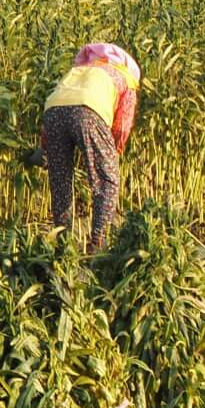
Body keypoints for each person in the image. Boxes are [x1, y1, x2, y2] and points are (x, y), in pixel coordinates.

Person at [40, 41, 141, 251]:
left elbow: (58, 100)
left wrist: (45, 147)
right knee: (107, 179)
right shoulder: (125, 78)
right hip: (89, 112)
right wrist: (114, 150)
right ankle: (98, 242)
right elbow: (122, 125)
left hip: (52, 113)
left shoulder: (80, 70)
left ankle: (63, 241)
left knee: (60, 181)